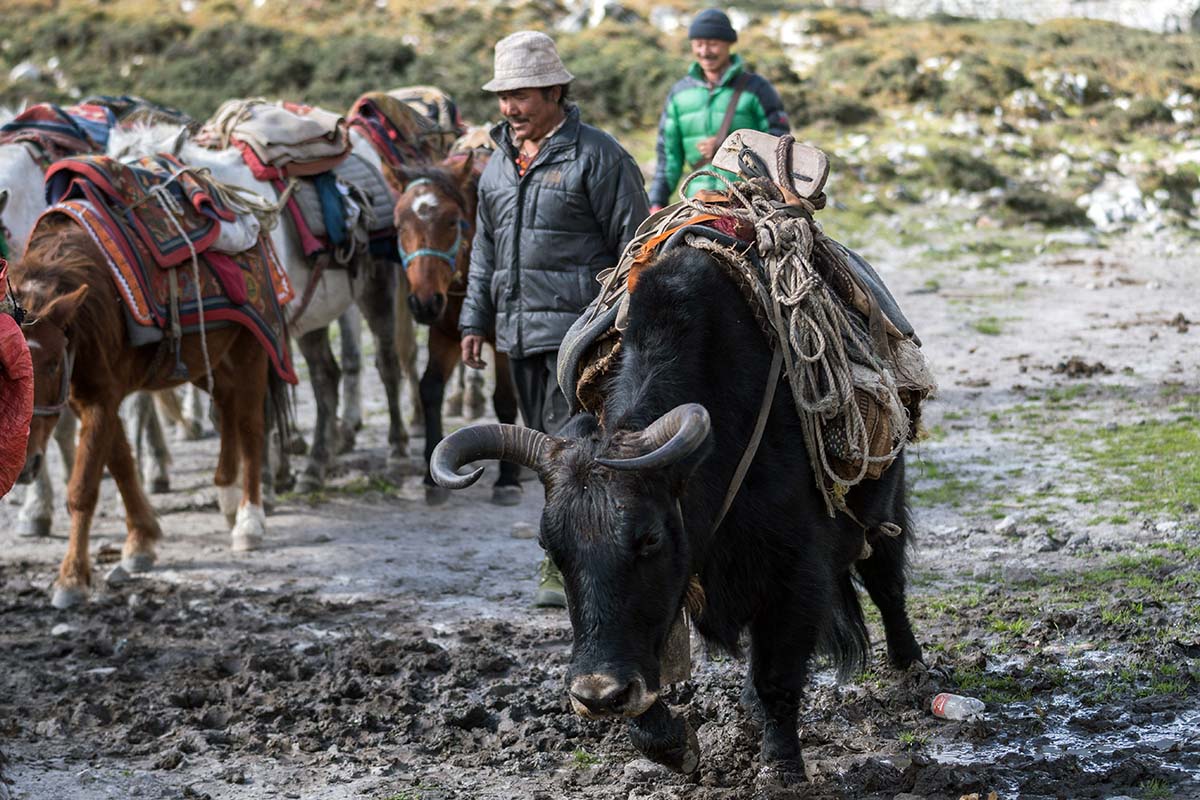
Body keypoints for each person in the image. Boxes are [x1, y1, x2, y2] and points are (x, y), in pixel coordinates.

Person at [459, 30, 650, 608]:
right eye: (503, 96)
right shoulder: (496, 166)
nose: (510, 108)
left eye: (522, 95)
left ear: (555, 91)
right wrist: (475, 320)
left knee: (576, 453)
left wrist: (624, 328)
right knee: (547, 454)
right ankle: (570, 559)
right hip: (516, 334)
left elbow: (637, 247)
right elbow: (485, 252)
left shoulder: (598, 155)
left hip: (581, 337)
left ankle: (564, 568)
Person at [648, 8, 790, 211]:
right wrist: (657, 201)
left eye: (713, 44)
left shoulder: (757, 89)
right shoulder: (679, 94)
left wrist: (730, 148)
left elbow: (781, 147)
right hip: (696, 203)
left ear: (729, 44)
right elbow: (668, 156)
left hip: (749, 203)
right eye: (698, 44)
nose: (705, 52)